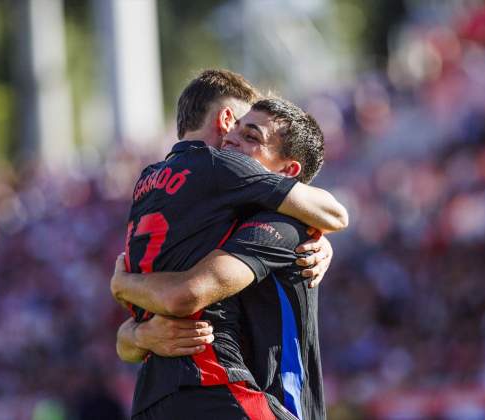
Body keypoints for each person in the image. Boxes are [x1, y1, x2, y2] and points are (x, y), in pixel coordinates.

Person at [113, 69, 347, 419]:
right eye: (237, 125)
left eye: (249, 133)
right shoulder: (226, 184)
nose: (232, 139)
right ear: (224, 118)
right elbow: (184, 296)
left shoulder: (149, 182)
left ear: (288, 171)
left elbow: (124, 341)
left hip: (153, 396)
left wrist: (136, 324)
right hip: (213, 387)